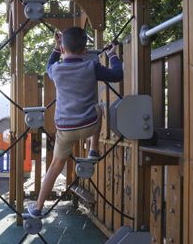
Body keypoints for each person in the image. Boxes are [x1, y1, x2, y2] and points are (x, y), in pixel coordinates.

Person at [27, 27, 123, 218]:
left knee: (54, 166)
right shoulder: (91, 67)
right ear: (84, 51)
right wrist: (112, 55)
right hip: (89, 125)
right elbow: (117, 75)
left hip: (65, 131)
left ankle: (37, 209)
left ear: (63, 48)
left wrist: (56, 48)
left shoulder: (56, 70)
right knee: (100, 108)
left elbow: (49, 65)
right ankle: (93, 149)